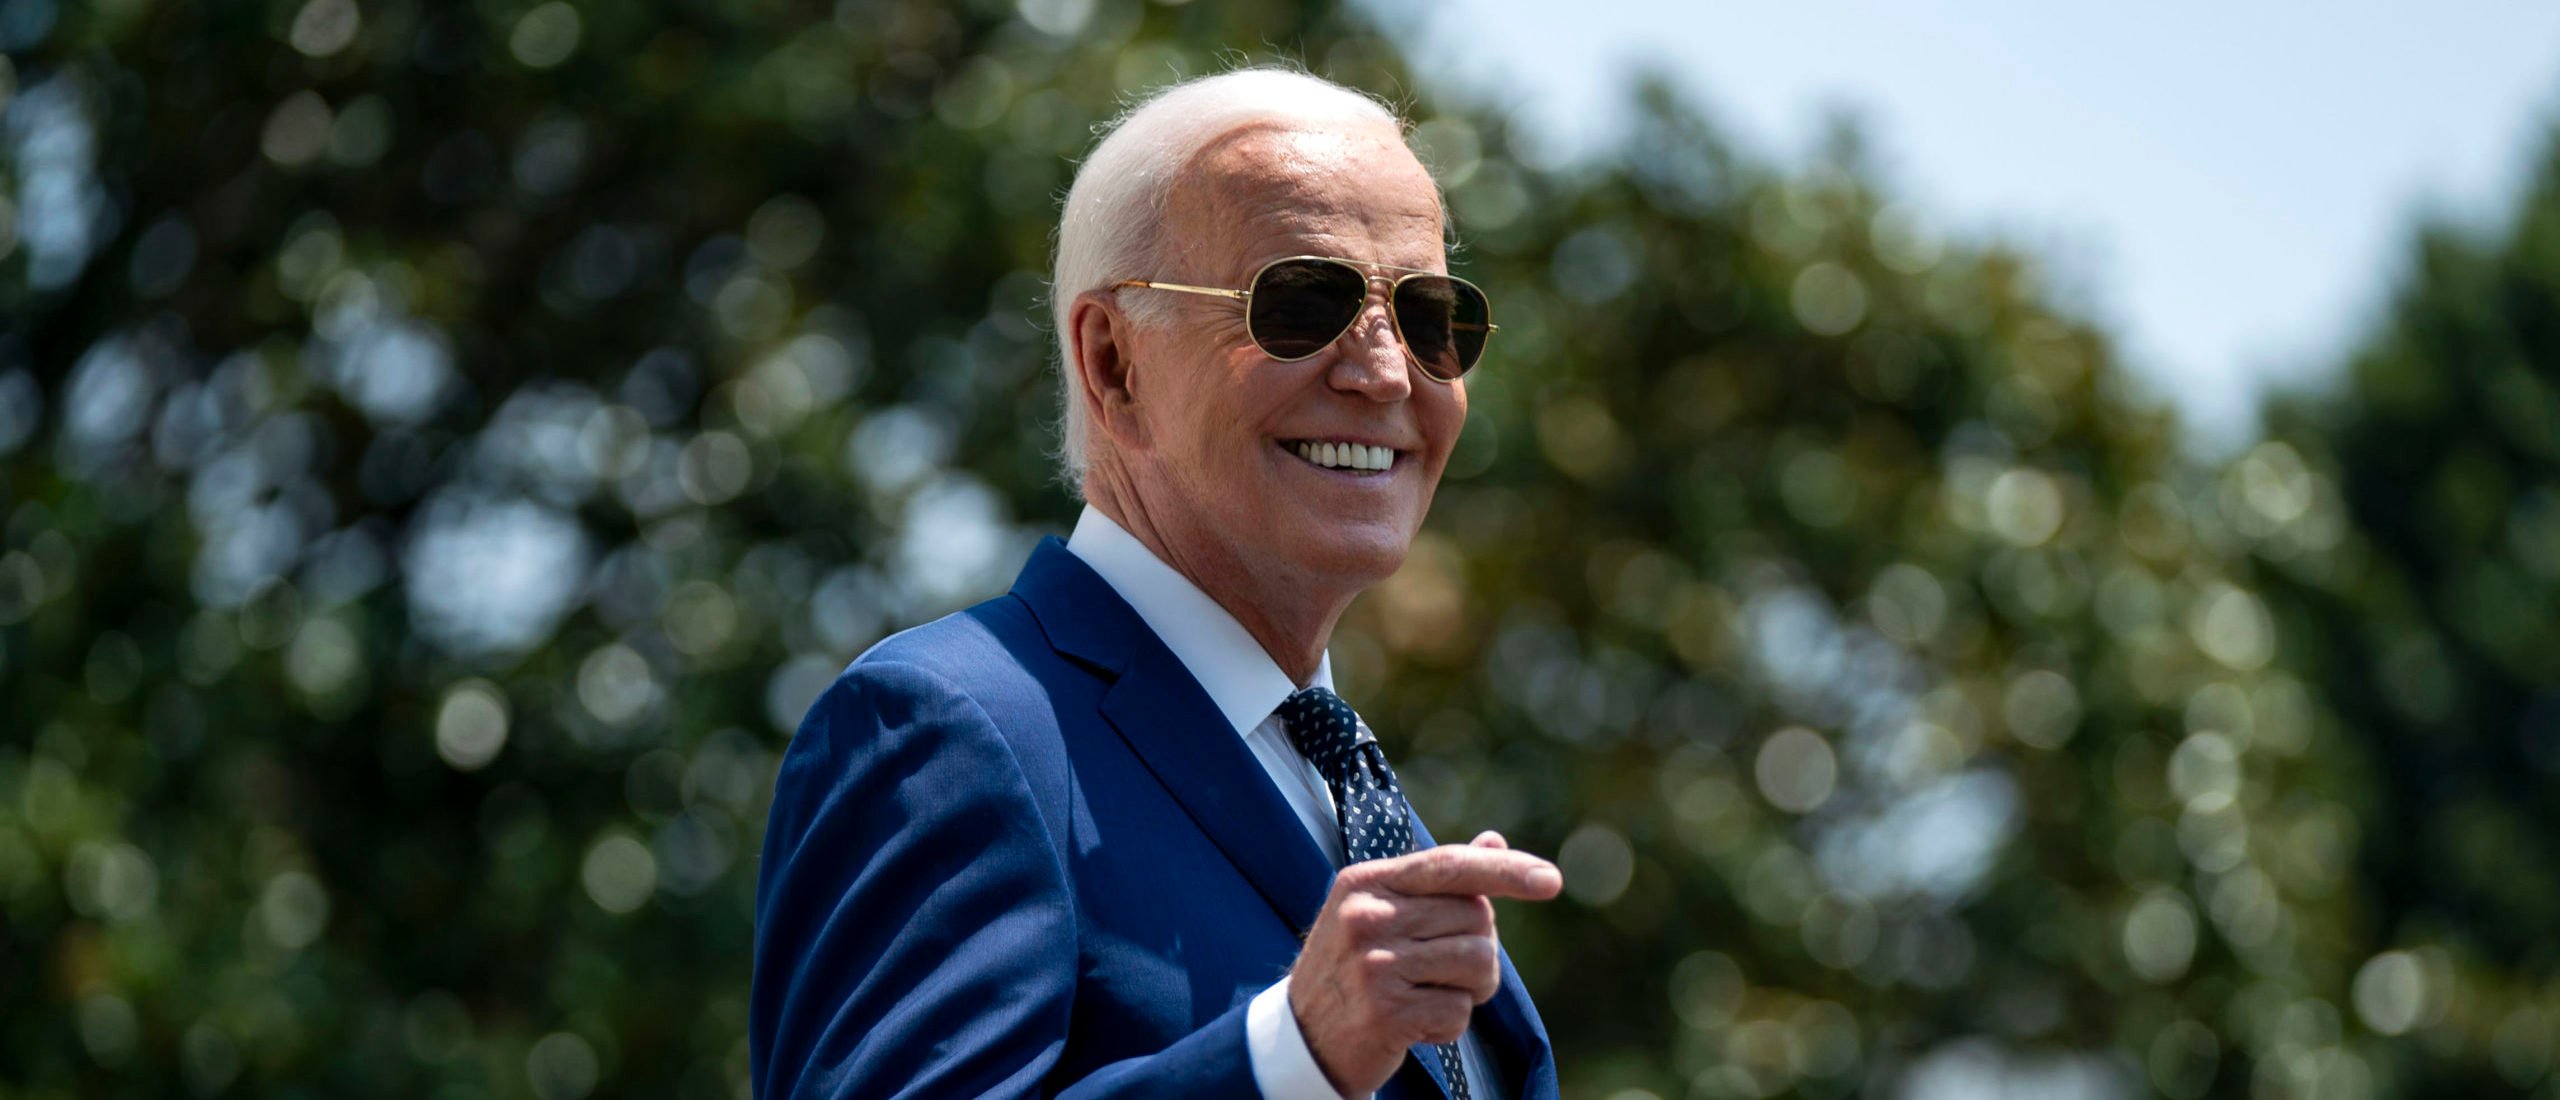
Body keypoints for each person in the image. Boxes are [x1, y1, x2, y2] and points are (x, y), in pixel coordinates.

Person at [750, 67, 1562, 1099]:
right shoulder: (951, 727)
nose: (1385, 372)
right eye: (1303, 302)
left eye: (1431, 315)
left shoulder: (1342, 782)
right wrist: (1289, 1055)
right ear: (1113, 364)